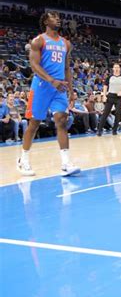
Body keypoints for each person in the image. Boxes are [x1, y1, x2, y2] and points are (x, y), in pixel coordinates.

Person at [17, 11, 80, 177]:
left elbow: (67, 68)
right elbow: (34, 65)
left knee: (62, 121)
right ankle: (23, 160)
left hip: (59, 88)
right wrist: (52, 81)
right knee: (34, 124)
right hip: (42, 86)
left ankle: (66, 163)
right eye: (53, 17)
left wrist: (71, 90)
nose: (58, 19)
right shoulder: (39, 41)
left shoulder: (66, 43)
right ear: (45, 21)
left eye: (59, 17)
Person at [97, 63, 121, 136]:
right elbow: (105, 86)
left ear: (120, 69)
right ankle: (99, 130)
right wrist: (104, 95)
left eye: (118, 67)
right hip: (110, 96)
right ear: (113, 69)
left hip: (119, 97)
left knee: (118, 113)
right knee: (105, 113)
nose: (117, 69)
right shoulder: (109, 77)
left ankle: (115, 130)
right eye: (115, 67)